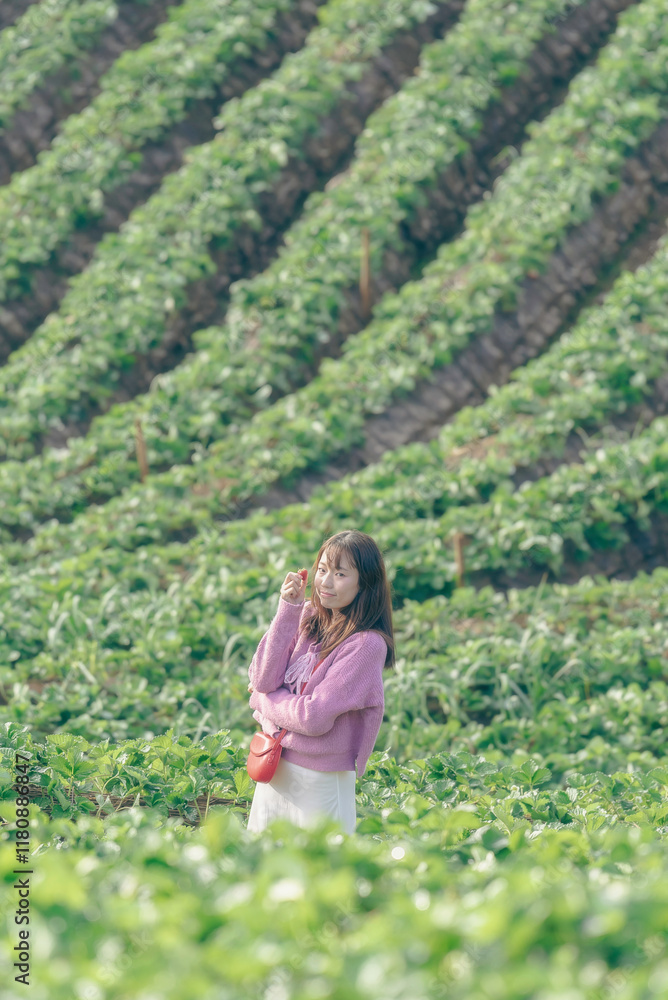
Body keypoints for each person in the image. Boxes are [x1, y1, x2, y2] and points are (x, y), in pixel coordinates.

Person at [246, 529, 395, 836]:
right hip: (275, 768)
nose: (326, 582)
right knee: (265, 858)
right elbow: (262, 677)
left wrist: (261, 700)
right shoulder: (307, 616)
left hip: (321, 780)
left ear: (365, 583)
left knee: (319, 862)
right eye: (323, 570)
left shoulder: (366, 644)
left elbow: (313, 717)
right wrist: (288, 610)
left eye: (340, 574)